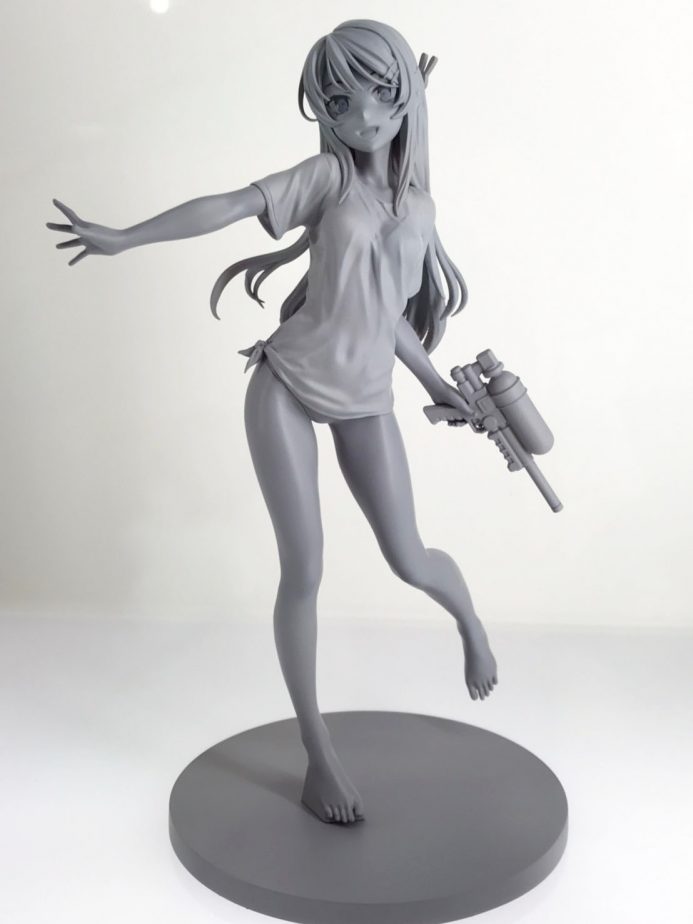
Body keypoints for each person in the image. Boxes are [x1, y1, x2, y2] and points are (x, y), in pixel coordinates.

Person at [47, 19, 498, 827]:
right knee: (305, 569)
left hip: (367, 399)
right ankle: (317, 753)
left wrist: (438, 385)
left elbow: (388, 314)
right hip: (286, 384)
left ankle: (469, 622)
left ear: (406, 97)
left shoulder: (420, 207)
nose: (360, 114)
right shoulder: (325, 177)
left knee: (410, 557)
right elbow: (230, 203)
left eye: (380, 93)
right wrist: (126, 238)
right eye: (339, 99)